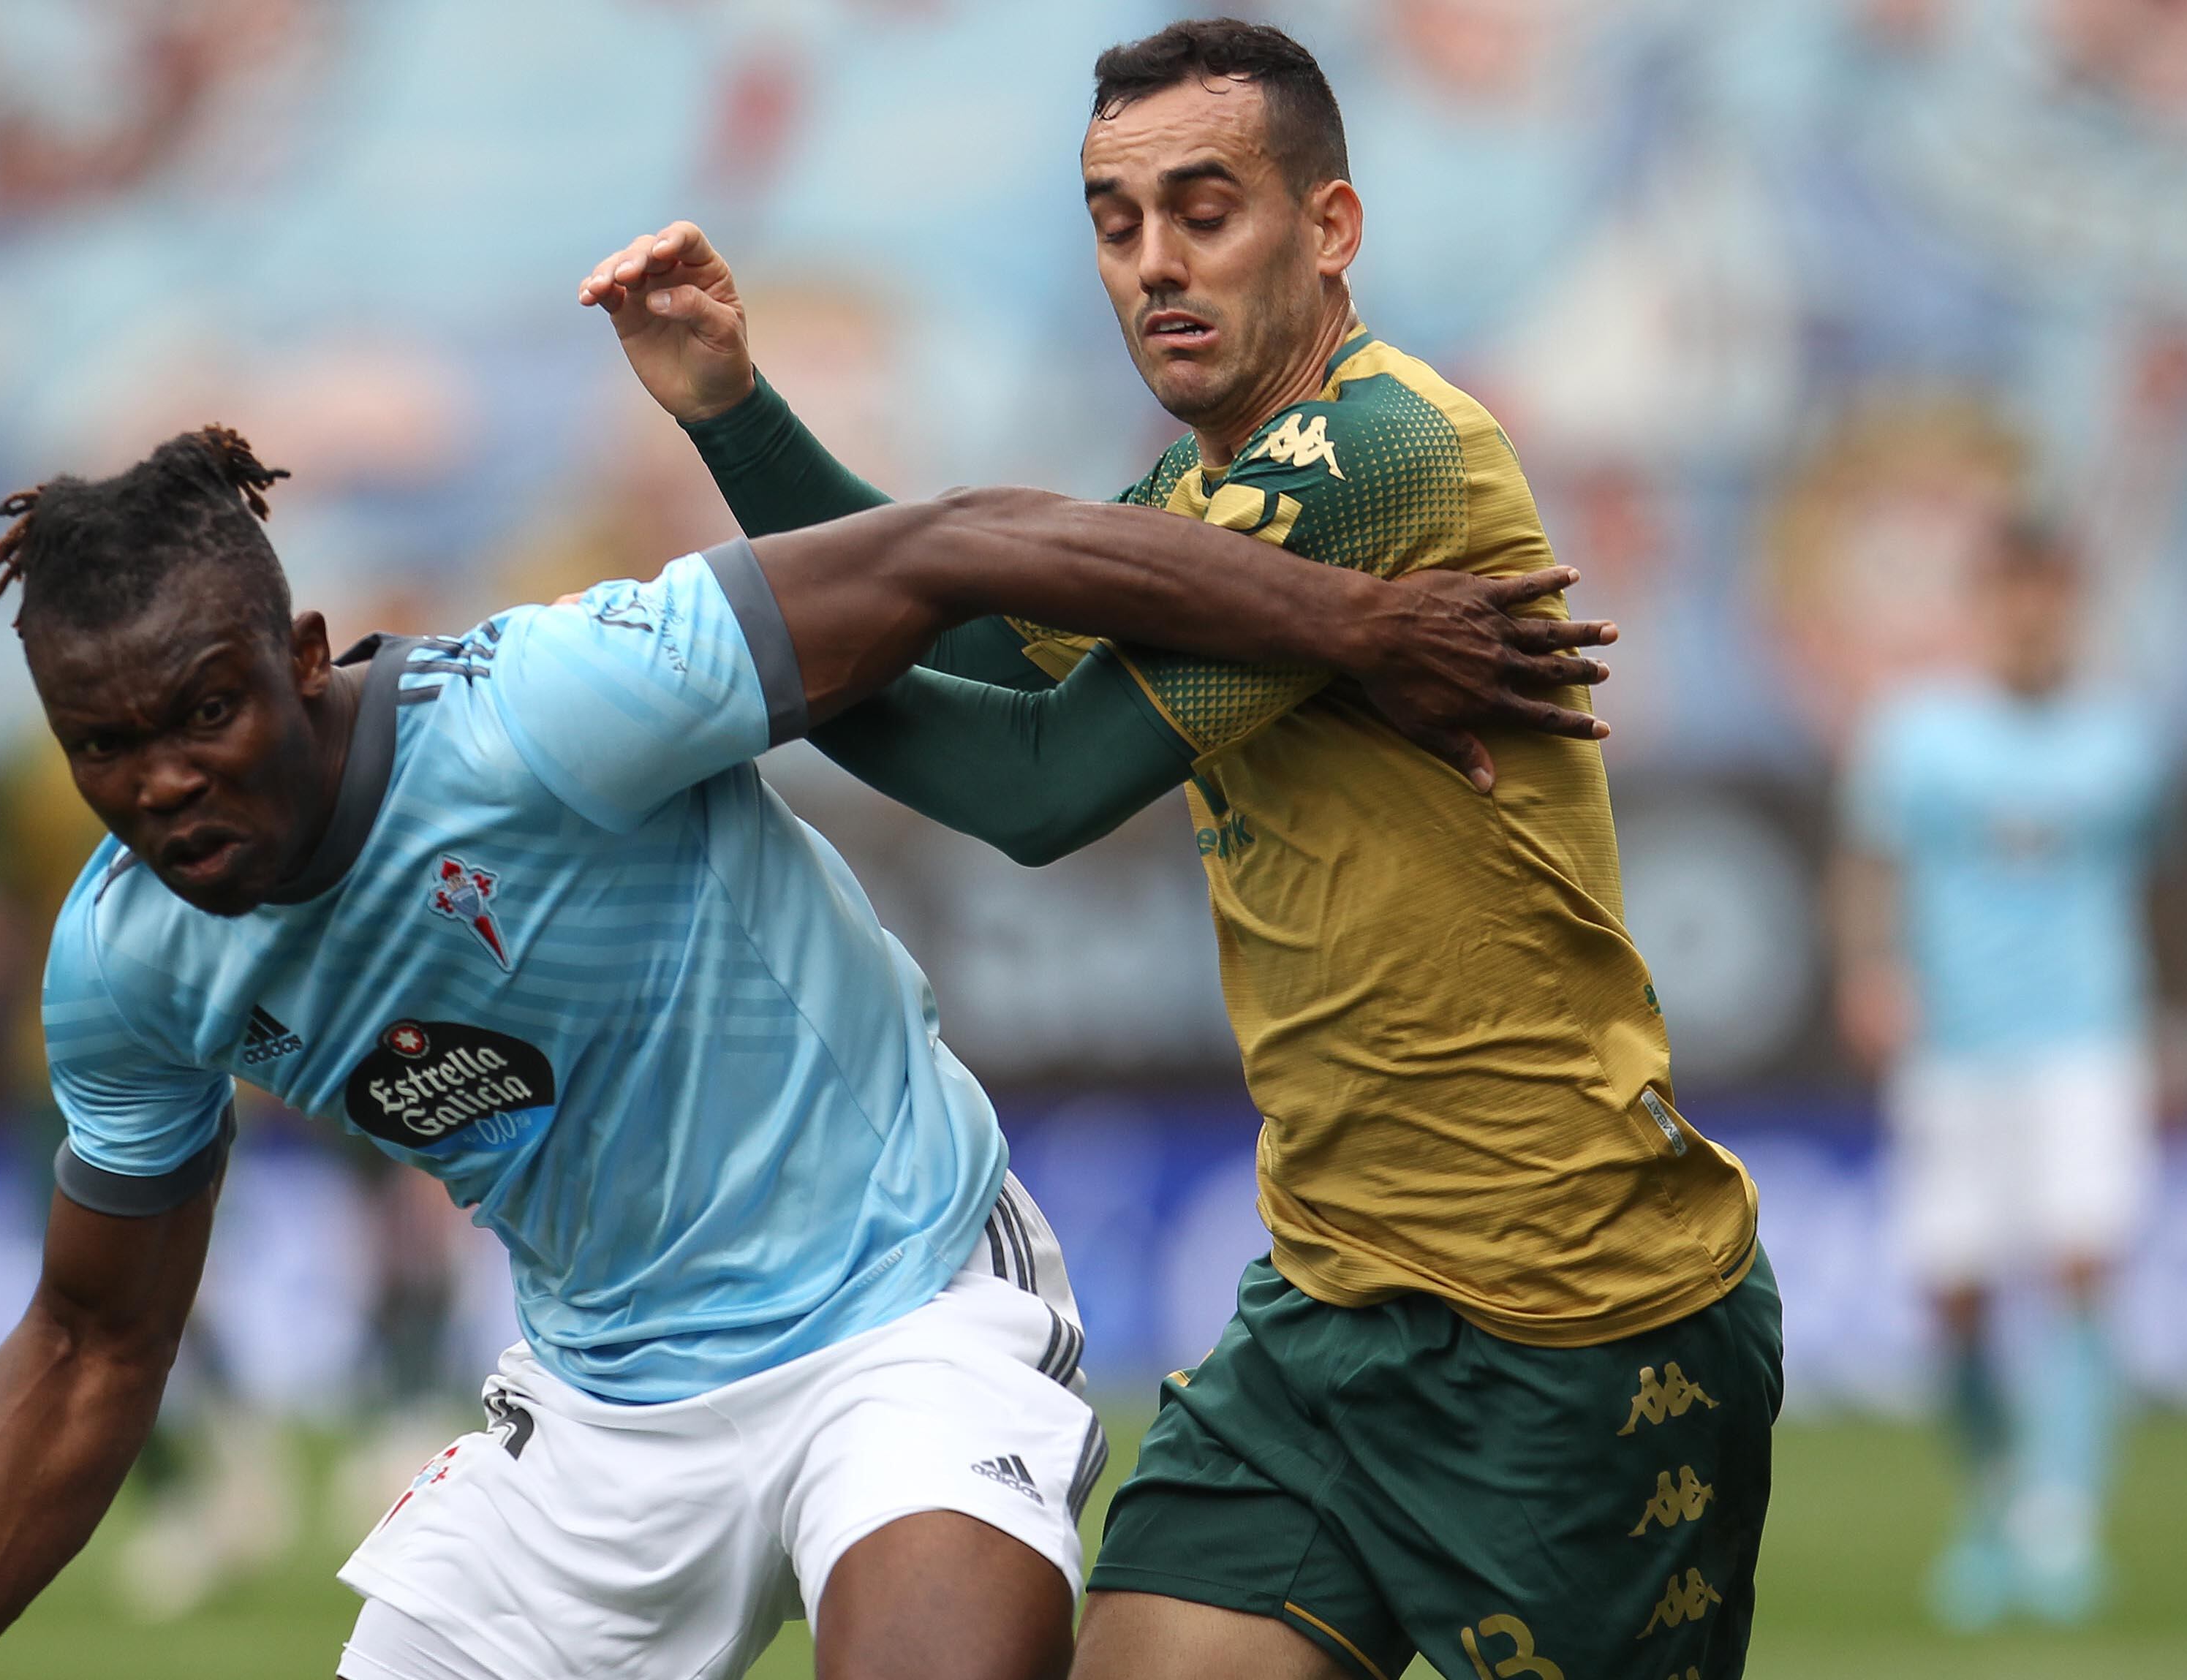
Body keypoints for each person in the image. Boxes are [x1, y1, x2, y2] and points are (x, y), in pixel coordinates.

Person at [0, 423, 1609, 1680]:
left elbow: (954, 545)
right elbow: (95, 1342)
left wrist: (1357, 629)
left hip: (902, 1321)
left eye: (204, 710)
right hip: (603, 1418)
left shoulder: (554, 710)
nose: (163, 780)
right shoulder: (131, 959)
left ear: (302, 657)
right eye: (106, 745)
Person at [581, 19, 1780, 1679]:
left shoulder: (1371, 456)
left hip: (1566, 1313)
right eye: (1116, 219)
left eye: (1203, 209)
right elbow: (989, 644)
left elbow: (1034, 784)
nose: (1153, 263)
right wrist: (733, 414)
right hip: (1328, 1311)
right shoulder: (1213, 480)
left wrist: (706, 680)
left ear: (1330, 227)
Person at [1835, 518, 2167, 1628]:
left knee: (2083, 1258)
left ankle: (2059, 1520)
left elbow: (2160, 886)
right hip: (1955, 1046)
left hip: (2086, 1035)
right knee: (1957, 1291)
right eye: (2013, 593)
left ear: (2072, 600)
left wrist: (2169, 1013)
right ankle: (1990, 1504)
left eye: (2050, 593)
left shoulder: (2126, 735)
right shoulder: (1920, 734)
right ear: (1985, 602)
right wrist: (1871, 967)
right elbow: (1871, 860)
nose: (2032, 614)